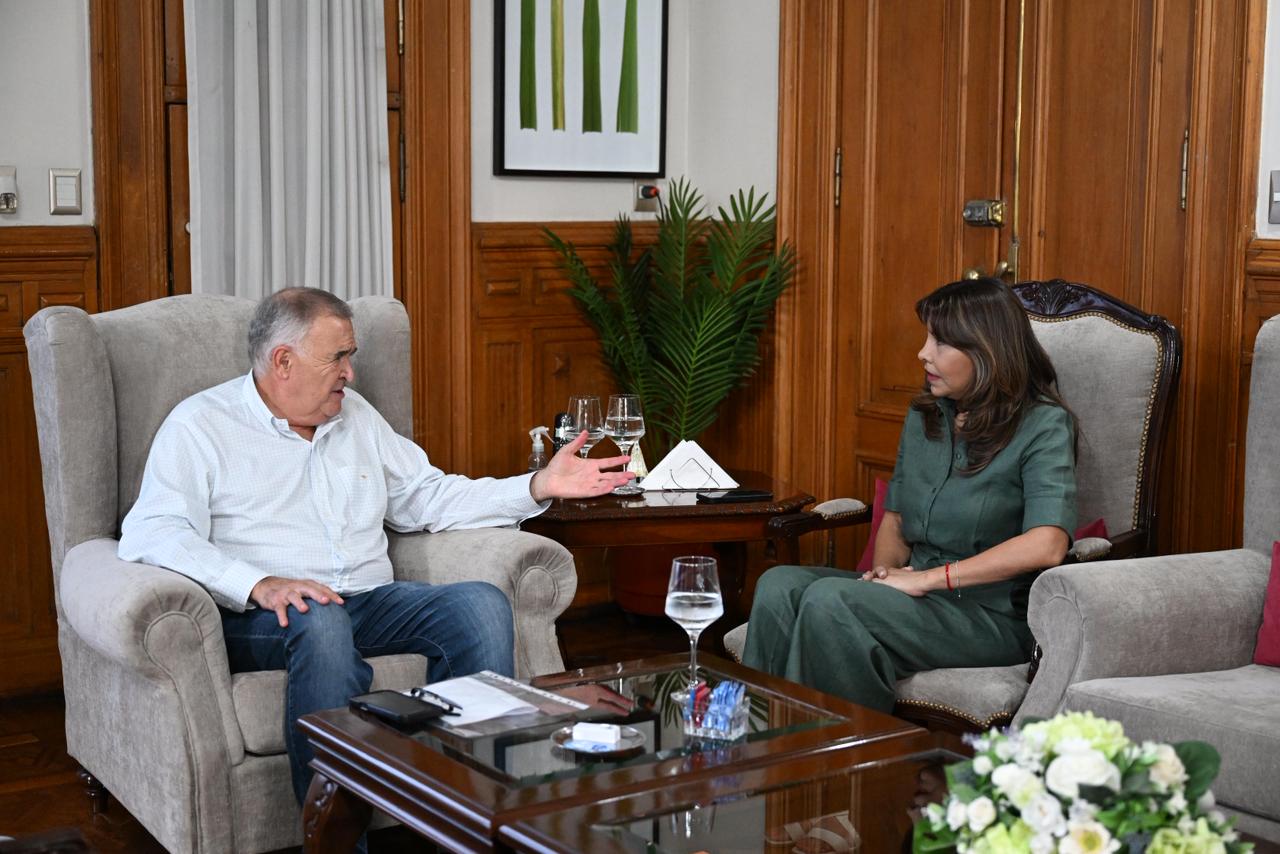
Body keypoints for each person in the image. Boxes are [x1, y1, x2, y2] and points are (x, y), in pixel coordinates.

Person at [118, 287, 633, 804]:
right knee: (320, 620)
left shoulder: (355, 414)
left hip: (367, 600)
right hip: (263, 616)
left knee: (478, 604)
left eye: (352, 355)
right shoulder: (201, 425)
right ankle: (335, 837)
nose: (350, 373)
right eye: (337, 357)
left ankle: (466, 812)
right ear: (283, 361)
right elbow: (154, 530)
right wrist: (260, 584)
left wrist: (537, 486)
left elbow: (425, 496)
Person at [742, 277, 1077, 712]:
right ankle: (759, 750)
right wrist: (882, 580)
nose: (923, 353)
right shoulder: (926, 415)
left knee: (830, 602)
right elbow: (896, 519)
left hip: (990, 615)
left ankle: (840, 768)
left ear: (987, 352)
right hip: (921, 598)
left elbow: (1048, 544)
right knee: (778, 584)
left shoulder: (1044, 425)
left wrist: (924, 580)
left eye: (940, 342)